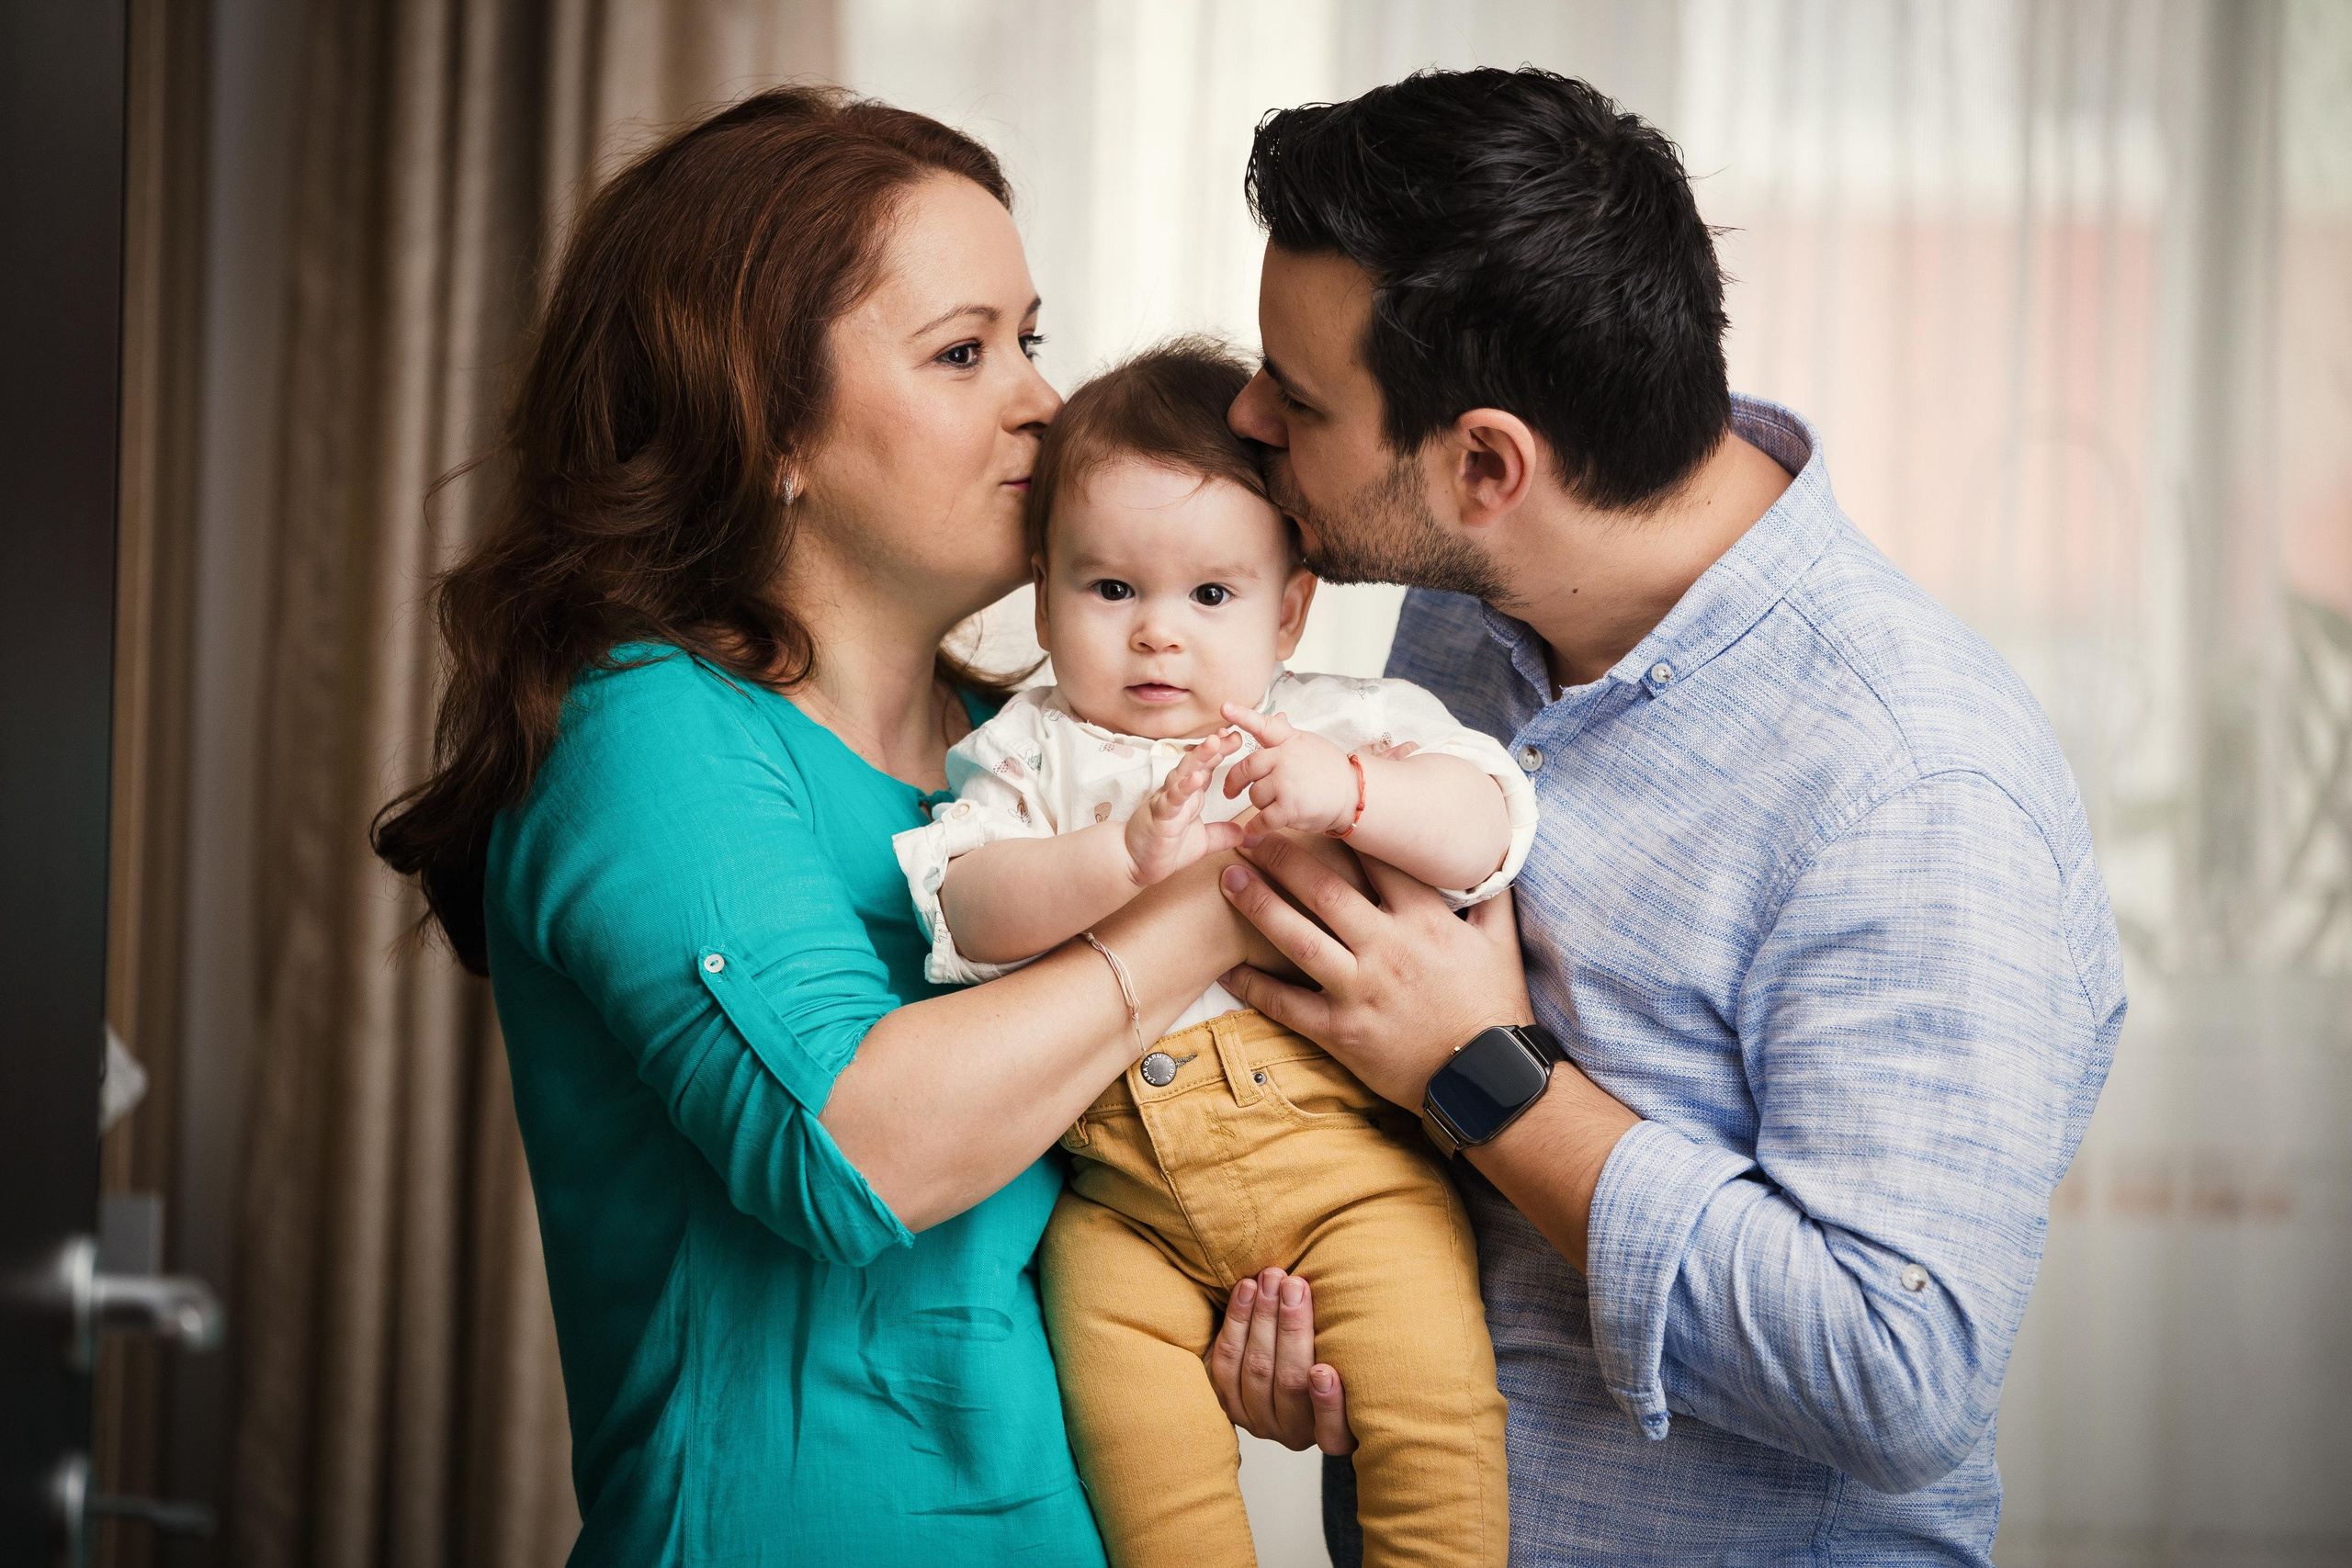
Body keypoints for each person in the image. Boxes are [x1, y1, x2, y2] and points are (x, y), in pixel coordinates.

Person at [369, 88, 1309, 1563]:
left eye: (1032, 338)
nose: (1045, 405)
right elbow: (852, 1157)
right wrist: (1207, 906)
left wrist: (1253, 1304)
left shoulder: (1029, 754)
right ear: (770, 428)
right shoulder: (651, 738)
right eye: (962, 351)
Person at [1208, 67, 2126, 1564]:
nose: (1246, 416)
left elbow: (1901, 1375)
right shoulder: (1463, 610)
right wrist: (1333, 1314)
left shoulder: (1913, 782)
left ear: (1487, 464)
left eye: (1298, 399)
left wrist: (1483, 1071)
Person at [892, 338, 1532, 1567]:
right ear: (1041, 597)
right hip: (1120, 1199)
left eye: (1212, 596)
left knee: (1434, 1410)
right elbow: (963, 903)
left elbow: (1491, 826)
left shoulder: (1342, 719)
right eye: (1111, 590)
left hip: (1347, 1170)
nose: (1157, 641)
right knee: (1140, 1459)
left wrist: (1347, 791)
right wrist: (1118, 861)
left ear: (1292, 606)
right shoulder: (1032, 750)